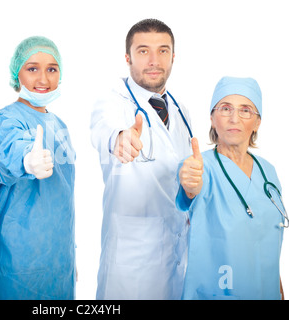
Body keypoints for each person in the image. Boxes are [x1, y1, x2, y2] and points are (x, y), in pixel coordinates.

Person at [90, 18, 193, 299]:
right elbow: (104, 131)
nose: (154, 60)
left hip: (177, 256)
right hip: (131, 264)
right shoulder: (112, 103)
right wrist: (120, 139)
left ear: (173, 56)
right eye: (143, 50)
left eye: (162, 50)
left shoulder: (181, 110)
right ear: (128, 57)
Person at [0, 36, 76, 300]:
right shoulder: (7, 119)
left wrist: (69, 257)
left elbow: (62, 200)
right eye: (32, 68)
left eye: (51, 69)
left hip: (59, 264)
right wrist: (26, 160)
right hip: (17, 265)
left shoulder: (59, 124)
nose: (43, 79)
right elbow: (7, 153)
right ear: (17, 73)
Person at [177, 76, 286, 299]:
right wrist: (189, 185)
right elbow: (189, 191)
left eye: (246, 110)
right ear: (212, 118)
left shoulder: (269, 172)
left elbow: (269, 246)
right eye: (225, 109)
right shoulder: (199, 167)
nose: (234, 118)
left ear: (257, 122)